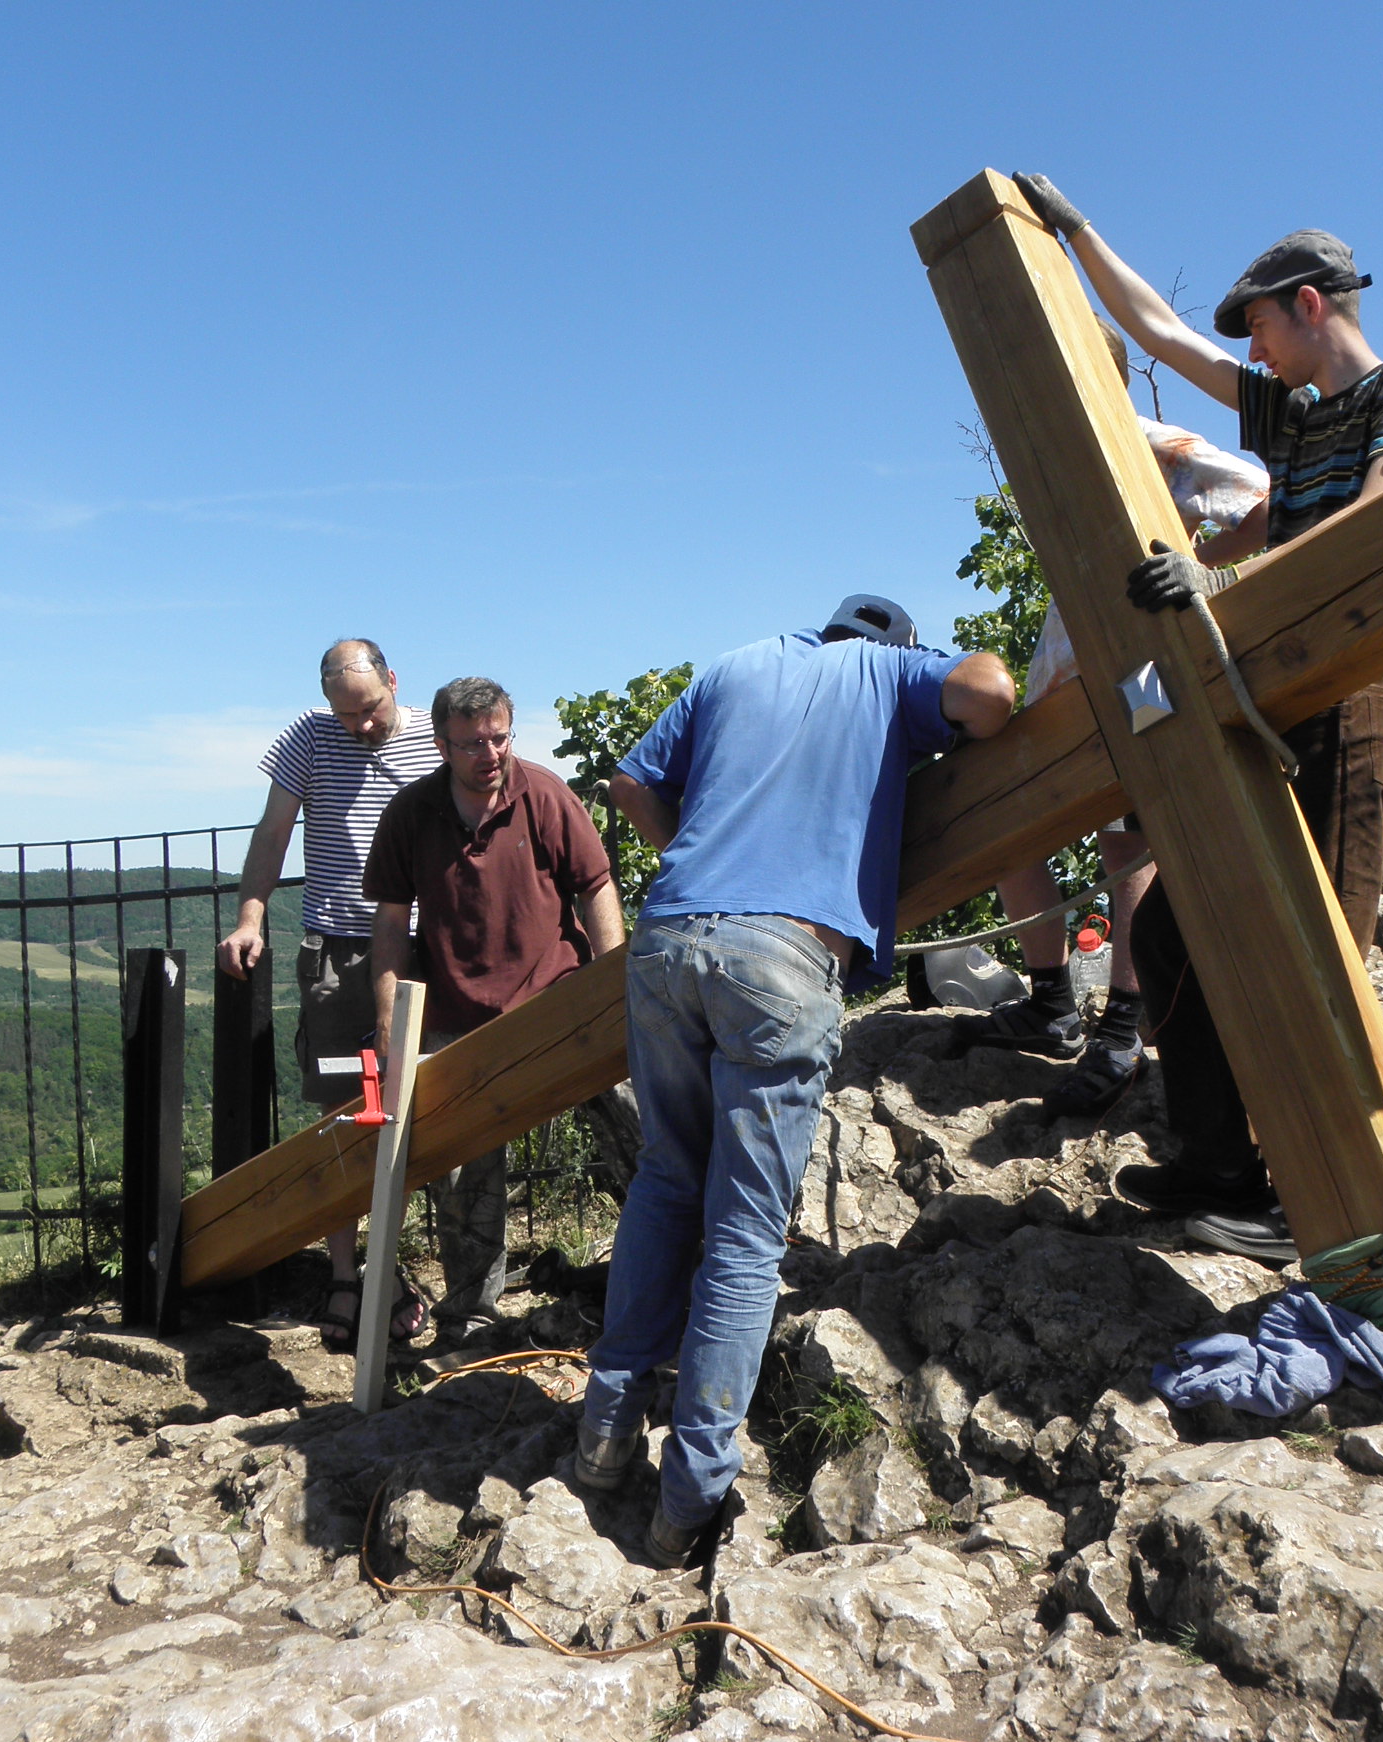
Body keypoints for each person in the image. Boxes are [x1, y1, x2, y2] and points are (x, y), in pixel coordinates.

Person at [1012, 173, 1383, 1262]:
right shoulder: (1288, 413)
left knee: (1317, 952)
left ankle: (1323, 1198)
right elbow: (1155, 330)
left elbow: (1375, 525)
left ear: (1310, 302)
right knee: (1167, 930)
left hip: (1349, 695)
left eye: (1257, 324)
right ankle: (1217, 1166)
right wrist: (1076, 233)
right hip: (1274, 699)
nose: (1248, 354)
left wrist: (1219, 587)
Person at [572, 596, 1015, 1564]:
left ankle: (603, 1437)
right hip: (781, 957)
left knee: (663, 1178)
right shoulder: (887, 675)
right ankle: (688, 1499)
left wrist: (703, 852)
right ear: (894, 646)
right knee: (740, 1234)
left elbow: (631, 783)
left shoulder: (736, 663)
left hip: (668, 937)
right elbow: (989, 690)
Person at [958, 319, 1268, 1121]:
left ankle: (1124, 1027)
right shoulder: (1056, 454)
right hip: (1069, 679)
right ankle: (1054, 999)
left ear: (1102, 370)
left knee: (1128, 839)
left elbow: (1265, 498)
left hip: (1143, 671)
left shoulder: (1153, 441)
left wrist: (1210, 574)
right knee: (1010, 822)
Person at [360, 676, 626, 1350]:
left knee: (639, 1123)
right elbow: (391, 926)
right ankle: (470, 1321)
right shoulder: (411, 813)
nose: (490, 753)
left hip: (555, 1000)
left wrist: (614, 985)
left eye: (500, 737)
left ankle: (676, 1268)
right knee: (462, 1179)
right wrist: (393, 1019)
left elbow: (596, 886)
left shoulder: (545, 794)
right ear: (442, 744)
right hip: (454, 1013)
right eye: (473, 742)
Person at [217, 638, 443, 1350]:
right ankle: (346, 1276)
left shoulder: (436, 742)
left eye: (371, 711)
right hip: (338, 953)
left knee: (425, 1114)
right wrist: (251, 915)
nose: (362, 728)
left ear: (393, 684)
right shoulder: (308, 738)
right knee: (346, 1117)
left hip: (423, 951)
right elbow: (273, 831)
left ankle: (400, 1272)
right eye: (347, 716)